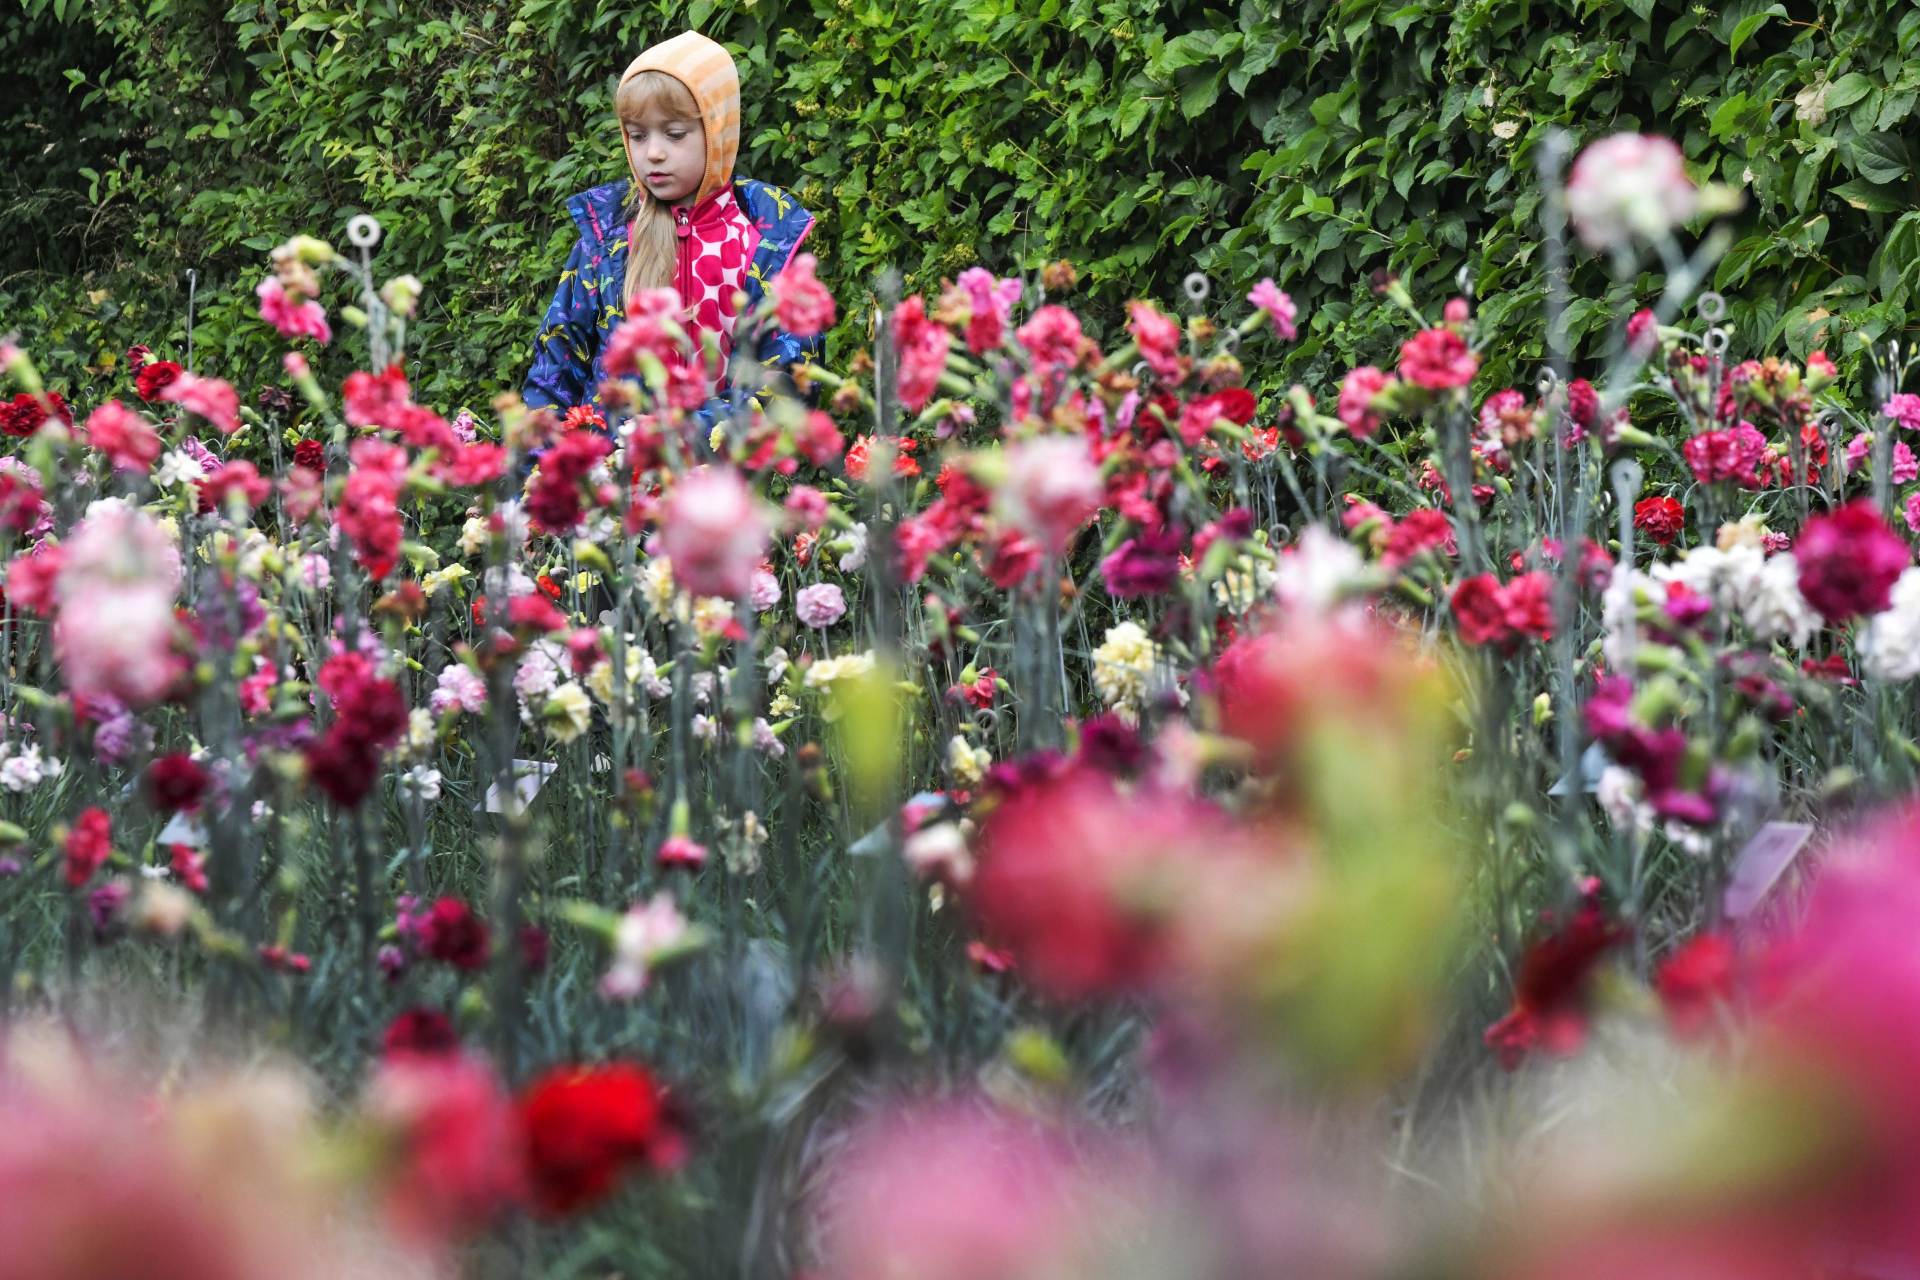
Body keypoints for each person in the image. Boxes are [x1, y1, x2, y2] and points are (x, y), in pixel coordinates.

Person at [521, 31, 821, 427]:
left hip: (726, 463)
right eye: (637, 135)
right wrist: (540, 454)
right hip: (611, 463)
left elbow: (789, 380)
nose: (653, 153)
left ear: (717, 131)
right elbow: (555, 366)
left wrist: (687, 436)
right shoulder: (608, 240)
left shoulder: (764, 241)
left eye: (674, 134)